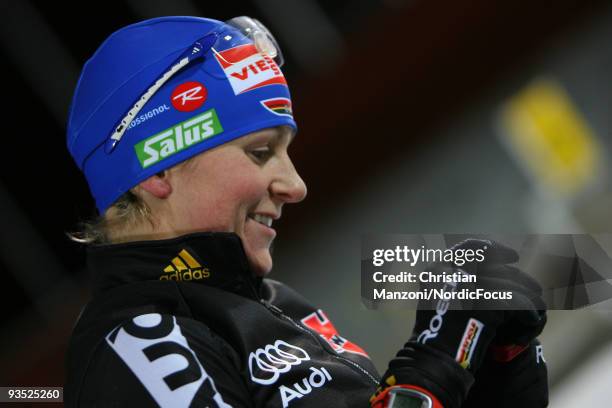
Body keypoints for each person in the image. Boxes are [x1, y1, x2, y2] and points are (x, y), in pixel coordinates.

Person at [64, 16, 548, 407]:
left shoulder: (270, 304)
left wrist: (495, 365)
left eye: (286, 151)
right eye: (260, 152)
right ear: (157, 170)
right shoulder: (136, 348)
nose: (295, 185)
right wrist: (430, 377)